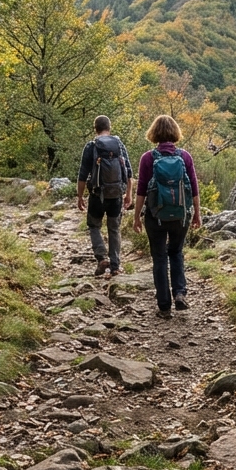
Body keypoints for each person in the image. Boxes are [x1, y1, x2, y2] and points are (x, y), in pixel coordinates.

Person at [132, 115, 202, 319]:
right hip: (180, 216)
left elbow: (141, 190)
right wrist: (197, 214)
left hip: (156, 216)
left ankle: (164, 306)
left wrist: (137, 217)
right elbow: (194, 188)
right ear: (175, 132)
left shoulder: (148, 158)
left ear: (153, 133)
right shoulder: (185, 156)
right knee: (176, 252)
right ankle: (180, 293)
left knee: (159, 257)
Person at [76, 115, 133, 276]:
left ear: (95, 128)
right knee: (114, 229)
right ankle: (115, 266)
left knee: (94, 226)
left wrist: (80, 196)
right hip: (116, 195)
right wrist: (128, 194)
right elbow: (129, 173)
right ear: (109, 127)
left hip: (97, 195)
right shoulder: (119, 144)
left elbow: (82, 174)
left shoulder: (91, 146)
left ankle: (101, 258)